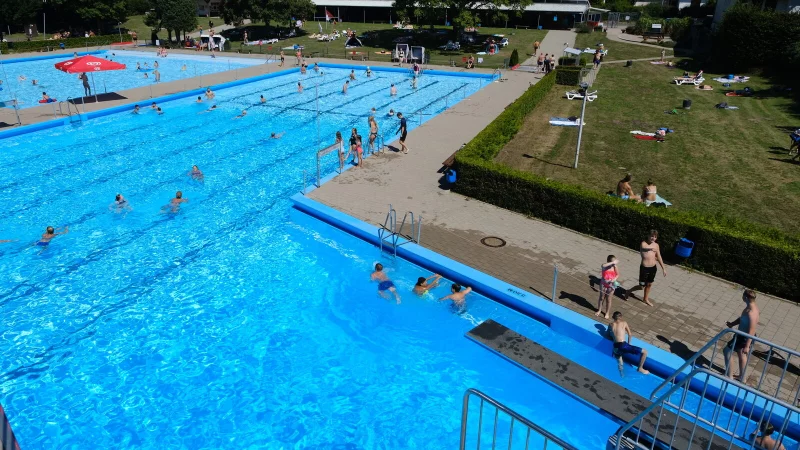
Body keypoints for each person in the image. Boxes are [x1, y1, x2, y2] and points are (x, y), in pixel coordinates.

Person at [724, 289, 759, 382]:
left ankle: (730, 376)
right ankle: (742, 378)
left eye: (743, 296)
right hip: (742, 335)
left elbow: (752, 330)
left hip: (745, 337)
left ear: (746, 298)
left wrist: (747, 345)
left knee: (727, 351)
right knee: (741, 355)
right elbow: (742, 319)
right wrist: (732, 324)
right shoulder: (750, 307)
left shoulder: (751, 312)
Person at [625, 230, 666, 306]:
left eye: (655, 237)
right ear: (648, 236)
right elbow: (644, 248)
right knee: (641, 286)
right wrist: (650, 249)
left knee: (649, 284)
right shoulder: (643, 243)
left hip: (653, 268)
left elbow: (659, 256)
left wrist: (663, 268)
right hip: (644, 268)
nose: (653, 238)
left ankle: (645, 299)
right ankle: (628, 291)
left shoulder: (656, 245)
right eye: (651, 236)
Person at [608, 311, 650, 375]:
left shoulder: (610, 325)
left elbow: (608, 334)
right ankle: (640, 368)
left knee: (620, 360)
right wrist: (629, 344)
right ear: (621, 317)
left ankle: (622, 375)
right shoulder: (624, 323)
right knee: (645, 352)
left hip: (616, 347)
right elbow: (630, 334)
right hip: (624, 345)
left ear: (613, 317)